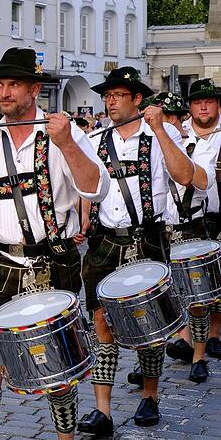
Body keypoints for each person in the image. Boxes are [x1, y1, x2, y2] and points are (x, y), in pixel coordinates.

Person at [0, 49, 109, 440]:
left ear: (34, 89)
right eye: (0, 84)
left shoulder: (64, 135)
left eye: (13, 84)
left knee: (58, 367)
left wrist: (68, 144)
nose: (3, 92)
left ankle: (65, 437)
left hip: (51, 262)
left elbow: (96, 187)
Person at [77, 66, 194, 435]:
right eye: (107, 96)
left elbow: (184, 175)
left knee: (150, 324)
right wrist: (82, 221)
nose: (110, 101)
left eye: (117, 95)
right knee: (100, 322)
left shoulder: (162, 134)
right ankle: (103, 410)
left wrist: (160, 129)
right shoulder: (94, 139)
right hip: (105, 240)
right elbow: (86, 186)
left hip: (147, 236)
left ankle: (149, 396)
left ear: (137, 99)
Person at [145, 91, 214, 384]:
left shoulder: (201, 147)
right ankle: (178, 346)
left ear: (180, 119)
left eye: (172, 117)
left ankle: (199, 355)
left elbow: (199, 180)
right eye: (164, 118)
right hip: (163, 230)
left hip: (192, 226)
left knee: (196, 298)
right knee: (166, 298)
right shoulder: (151, 146)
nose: (168, 123)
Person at [184, 79, 221, 359]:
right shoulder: (180, 133)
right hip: (192, 216)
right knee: (192, 280)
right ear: (190, 107)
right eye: (198, 102)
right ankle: (186, 338)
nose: (204, 106)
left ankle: (215, 333)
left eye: (209, 101)